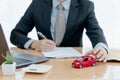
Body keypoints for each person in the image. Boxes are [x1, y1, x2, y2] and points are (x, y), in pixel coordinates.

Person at [10, 0, 108, 62]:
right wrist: (34, 44)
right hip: (44, 62)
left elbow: (95, 31)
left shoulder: (86, 5)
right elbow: (15, 34)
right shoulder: (37, 3)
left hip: (72, 62)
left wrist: (101, 48)